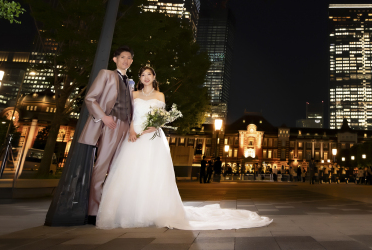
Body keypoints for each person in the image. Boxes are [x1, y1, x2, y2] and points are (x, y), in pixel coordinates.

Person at [97, 65, 272, 230]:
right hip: (135, 136)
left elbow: (162, 116)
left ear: (154, 77)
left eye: (149, 74)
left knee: (154, 173)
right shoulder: (134, 95)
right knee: (131, 172)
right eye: (143, 75)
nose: (146, 77)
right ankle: (129, 212)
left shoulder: (160, 96)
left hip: (153, 136)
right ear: (140, 78)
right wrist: (132, 131)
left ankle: (154, 211)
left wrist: (155, 126)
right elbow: (131, 116)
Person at [77, 46, 134, 225]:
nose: (126, 60)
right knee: (101, 165)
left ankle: (111, 208)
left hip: (127, 126)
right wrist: (104, 117)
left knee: (117, 168)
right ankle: (93, 211)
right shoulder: (106, 74)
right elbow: (90, 98)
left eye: (129, 58)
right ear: (115, 59)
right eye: (122, 57)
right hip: (111, 124)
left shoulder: (131, 82)